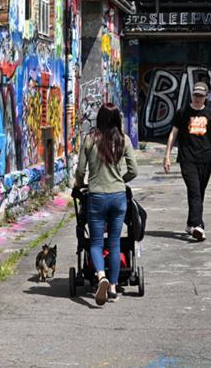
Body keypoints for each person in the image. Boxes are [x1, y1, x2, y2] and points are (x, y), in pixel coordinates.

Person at [74, 103, 138, 306]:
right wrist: (120, 179)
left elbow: (80, 170)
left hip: (96, 197)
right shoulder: (124, 140)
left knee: (95, 242)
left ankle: (100, 276)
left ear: (99, 119)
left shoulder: (90, 140)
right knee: (115, 242)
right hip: (118, 196)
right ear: (118, 119)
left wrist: (80, 184)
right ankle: (112, 287)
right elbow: (134, 170)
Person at [163, 82, 211, 242]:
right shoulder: (182, 113)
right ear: (191, 96)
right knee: (195, 191)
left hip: (205, 158)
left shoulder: (210, 114)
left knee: (200, 192)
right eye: (195, 95)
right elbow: (173, 134)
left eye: (201, 96)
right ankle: (198, 225)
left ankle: (191, 223)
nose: (197, 98)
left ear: (206, 97)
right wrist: (167, 155)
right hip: (187, 158)